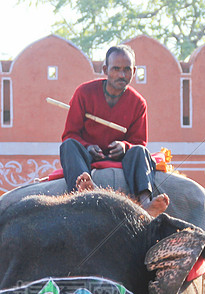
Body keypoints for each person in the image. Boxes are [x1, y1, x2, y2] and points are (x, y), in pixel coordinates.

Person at [59, 44, 169, 216]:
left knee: (140, 151)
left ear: (134, 71)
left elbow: (139, 141)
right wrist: (88, 146)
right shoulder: (84, 93)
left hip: (121, 157)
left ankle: (145, 201)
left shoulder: (138, 102)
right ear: (105, 69)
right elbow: (70, 134)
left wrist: (124, 146)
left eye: (126, 70)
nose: (121, 75)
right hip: (88, 154)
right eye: (116, 69)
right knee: (69, 146)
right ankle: (83, 189)